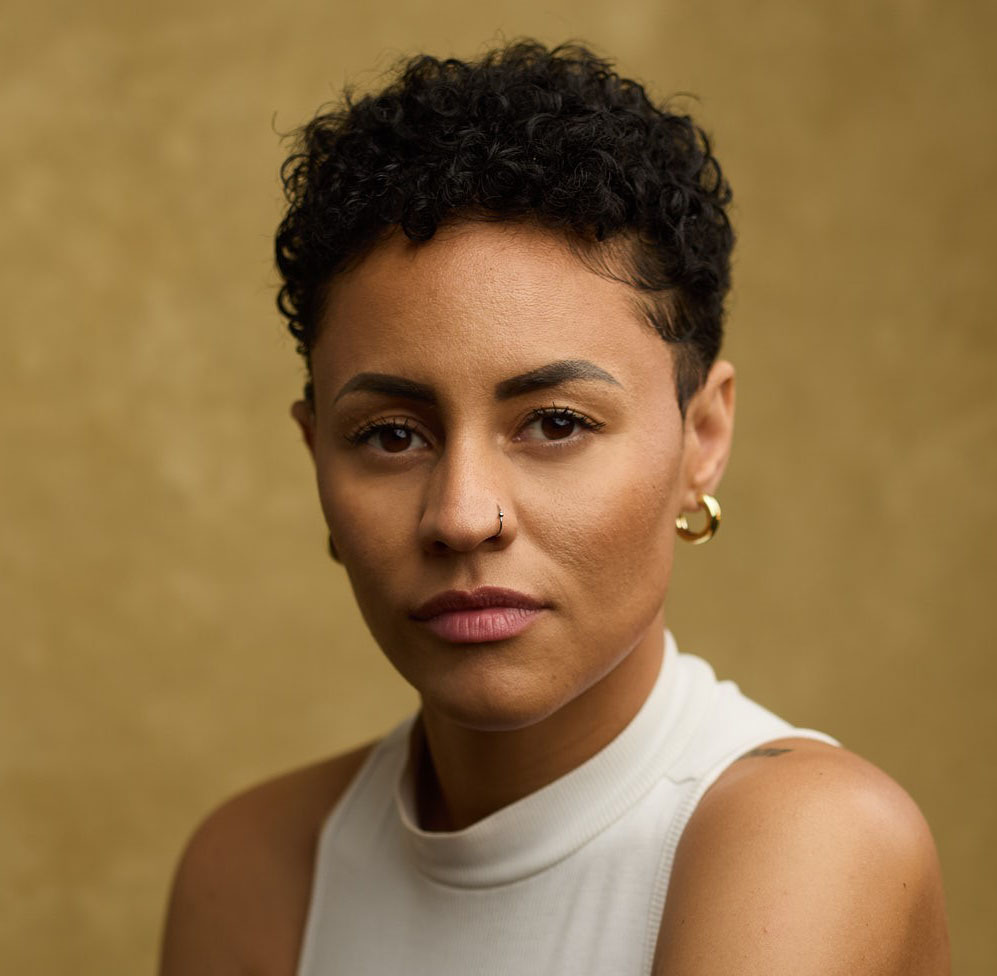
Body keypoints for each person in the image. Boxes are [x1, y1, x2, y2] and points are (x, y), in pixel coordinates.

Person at [159, 40, 950, 975]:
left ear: (701, 437)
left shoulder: (809, 840)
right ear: (315, 455)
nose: (462, 515)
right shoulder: (254, 870)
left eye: (556, 422)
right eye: (391, 435)